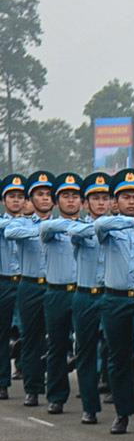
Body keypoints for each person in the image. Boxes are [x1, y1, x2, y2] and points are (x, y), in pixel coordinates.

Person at [93, 169, 134, 439]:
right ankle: (122, 412)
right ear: (115, 201)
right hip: (114, 299)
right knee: (118, 357)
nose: (131, 202)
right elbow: (100, 227)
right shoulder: (109, 226)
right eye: (125, 197)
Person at [37, 172, 87, 415]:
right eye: (65, 196)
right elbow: (46, 228)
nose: (71, 200)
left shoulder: (91, 228)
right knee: (57, 345)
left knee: (85, 346)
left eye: (75, 196)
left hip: (83, 292)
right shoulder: (49, 227)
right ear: (56, 202)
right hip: (56, 292)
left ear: (82, 201)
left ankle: (88, 399)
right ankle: (56, 396)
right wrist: (77, 226)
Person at [5, 171, 55, 408]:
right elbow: (10, 232)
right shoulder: (21, 222)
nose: (44, 198)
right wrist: (43, 229)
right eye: (39, 194)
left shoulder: (65, 224)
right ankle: (32, 388)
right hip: (30, 285)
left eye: (48, 194)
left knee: (57, 340)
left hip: (56, 286)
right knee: (31, 338)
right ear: (30, 199)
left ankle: (55, 393)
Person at [65, 173, 112, 425]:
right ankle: (90, 406)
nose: (101, 203)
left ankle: (121, 399)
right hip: (85, 295)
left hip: (112, 295)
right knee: (86, 351)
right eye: (96, 198)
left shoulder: (121, 228)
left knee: (118, 350)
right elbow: (75, 232)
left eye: (105, 198)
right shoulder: (79, 228)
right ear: (85, 204)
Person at [0, 174, 25, 402]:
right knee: (2, 332)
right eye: (11, 196)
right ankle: (2, 382)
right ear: (3, 200)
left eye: (20, 196)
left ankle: (31, 379)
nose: (16, 200)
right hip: (5, 281)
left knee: (31, 333)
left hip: (27, 282)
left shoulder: (35, 224)